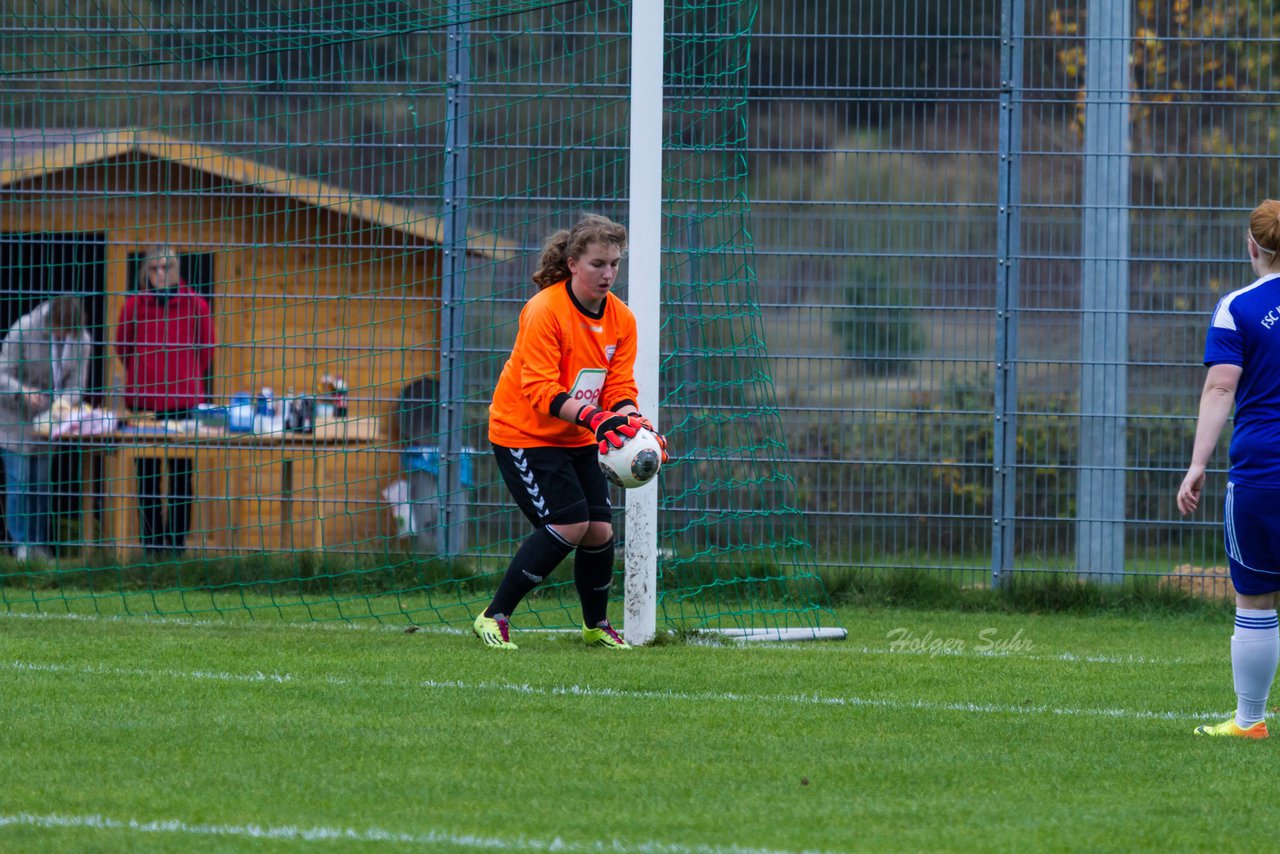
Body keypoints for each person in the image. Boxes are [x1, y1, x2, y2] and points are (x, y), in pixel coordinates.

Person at [475, 214, 668, 650]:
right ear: (573, 263)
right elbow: (541, 389)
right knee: (569, 523)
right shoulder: (545, 310)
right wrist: (598, 420)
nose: (608, 273)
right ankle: (493, 616)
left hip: (578, 436)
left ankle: (595, 625)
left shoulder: (622, 319)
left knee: (599, 532)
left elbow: (619, 386)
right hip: (524, 433)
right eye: (599, 263)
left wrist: (635, 425)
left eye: (615, 264)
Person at [1178, 198, 1280, 739]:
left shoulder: (1236, 307)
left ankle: (1249, 722)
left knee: (1257, 599)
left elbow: (1221, 385)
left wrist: (1198, 464)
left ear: (1253, 247)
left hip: (1263, 474)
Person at [113, 246, 216, 554]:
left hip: (183, 404)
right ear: (146, 271)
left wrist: (184, 375)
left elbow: (206, 349)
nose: (161, 273)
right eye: (155, 268)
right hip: (143, 403)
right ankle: (152, 546)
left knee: (181, 479)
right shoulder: (134, 306)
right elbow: (122, 346)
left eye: (167, 267)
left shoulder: (196, 305)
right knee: (147, 479)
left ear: (177, 270)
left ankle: (176, 546)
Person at [0, 296, 93, 561]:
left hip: (48, 424)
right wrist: (23, 392)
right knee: (19, 483)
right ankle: (20, 548)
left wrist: (64, 401)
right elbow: (2, 373)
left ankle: (40, 548)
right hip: (13, 420)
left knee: (41, 486)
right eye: (59, 328)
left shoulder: (82, 340)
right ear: (50, 321)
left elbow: (77, 384)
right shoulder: (24, 328)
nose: (63, 335)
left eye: (68, 331)